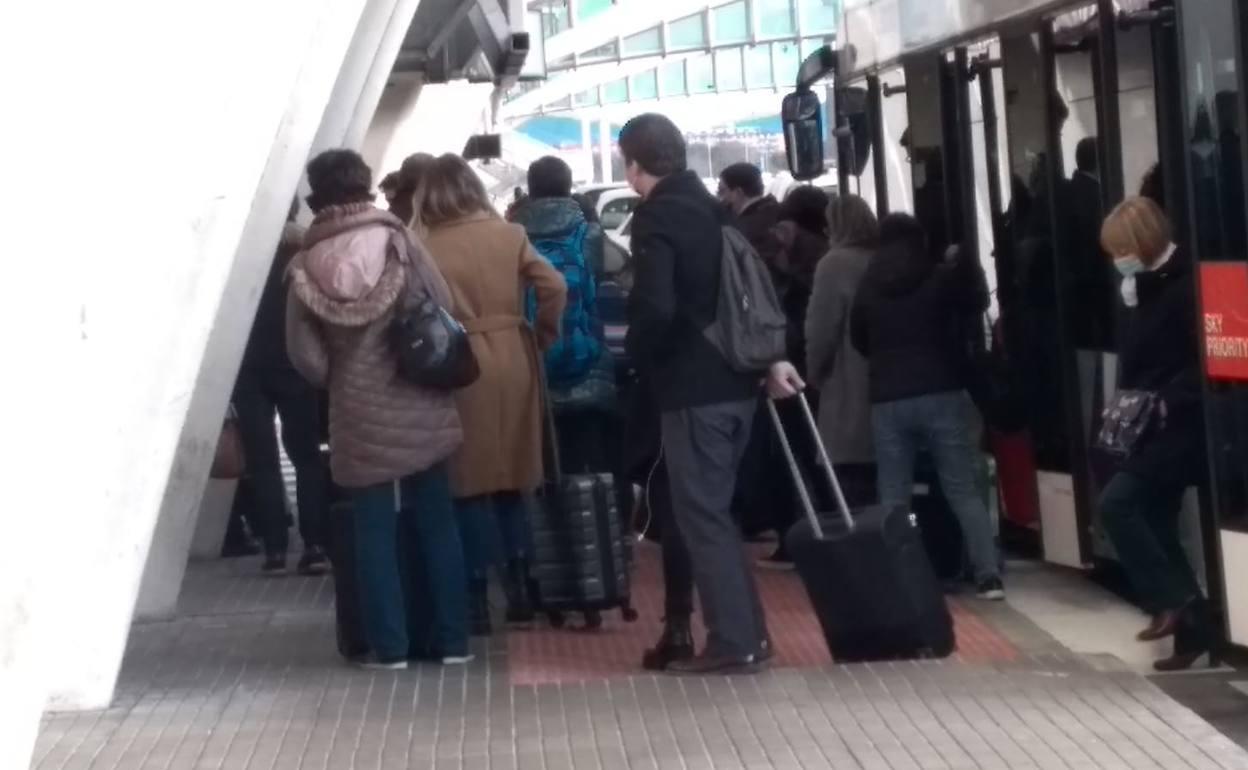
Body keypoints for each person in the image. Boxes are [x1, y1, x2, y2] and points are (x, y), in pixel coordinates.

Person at [620, 113, 799, 674]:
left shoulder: (658, 218)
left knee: (703, 517)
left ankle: (734, 642)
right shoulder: (714, 210)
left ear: (633, 165)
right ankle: (750, 635)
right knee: (716, 514)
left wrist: (638, 356)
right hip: (738, 384)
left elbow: (656, 307)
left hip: (693, 388)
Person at [286, 149, 469, 668]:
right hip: (418, 397)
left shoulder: (304, 264)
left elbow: (304, 354)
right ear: (366, 187)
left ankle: (390, 648)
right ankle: (452, 640)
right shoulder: (400, 241)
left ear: (316, 194)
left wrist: (344, 375)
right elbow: (444, 304)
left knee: (372, 530)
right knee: (436, 518)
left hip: (357, 406)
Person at [411, 153, 568, 632]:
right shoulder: (510, 233)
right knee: (512, 475)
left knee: (467, 483)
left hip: (460, 361)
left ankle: (477, 595)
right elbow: (555, 285)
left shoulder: (422, 244)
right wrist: (541, 334)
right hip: (515, 353)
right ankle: (523, 586)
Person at [850, 212, 1004, 601]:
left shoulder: (868, 285)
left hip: (887, 398)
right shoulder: (938, 277)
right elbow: (971, 308)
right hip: (940, 391)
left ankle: (896, 577)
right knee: (961, 488)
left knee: (893, 492)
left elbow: (859, 339)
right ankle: (988, 576)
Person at [1097, 197, 1210, 671]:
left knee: (1118, 504)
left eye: (1120, 248)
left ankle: (1173, 600)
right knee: (1158, 521)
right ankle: (1194, 629)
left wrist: (1167, 398)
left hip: (1179, 423)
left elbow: (1197, 358)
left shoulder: (1185, 286)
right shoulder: (1137, 287)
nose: (1116, 258)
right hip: (1148, 422)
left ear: (1141, 242)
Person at [232, 198, 330, 576]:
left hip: (248, 368)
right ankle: (316, 545)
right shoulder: (303, 252)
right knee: (306, 458)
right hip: (295, 364)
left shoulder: (239, 257)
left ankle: (274, 548)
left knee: (262, 460)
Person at [511, 156, 614, 473]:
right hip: (588, 363)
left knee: (542, 465)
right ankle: (599, 518)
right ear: (569, 187)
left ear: (530, 188)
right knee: (594, 460)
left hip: (532, 367)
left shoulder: (512, 236)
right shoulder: (590, 234)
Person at [754, 184, 831, 568]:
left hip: (786, 360)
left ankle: (792, 536)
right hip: (816, 365)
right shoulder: (827, 251)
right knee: (817, 452)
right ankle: (832, 528)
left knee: (785, 454)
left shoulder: (778, 248)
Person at [805, 194, 880, 508]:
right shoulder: (881, 257)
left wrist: (814, 373)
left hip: (848, 382)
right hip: (885, 383)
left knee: (851, 484)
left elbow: (821, 328)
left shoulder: (834, 264)